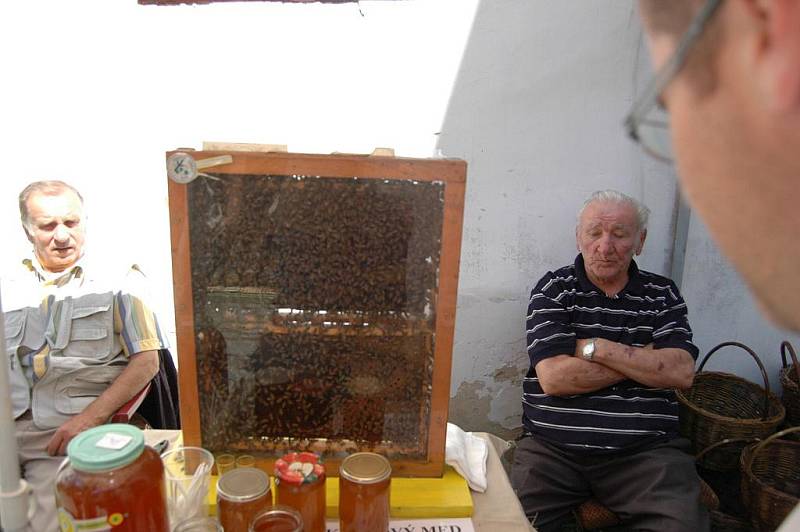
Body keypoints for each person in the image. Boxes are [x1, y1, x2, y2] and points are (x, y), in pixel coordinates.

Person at [511, 190, 708, 531]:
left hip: (645, 454)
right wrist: (643, 358)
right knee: (511, 523)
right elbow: (556, 379)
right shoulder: (554, 290)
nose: (605, 247)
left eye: (619, 234)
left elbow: (680, 371)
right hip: (552, 450)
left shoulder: (663, 295)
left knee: (682, 524)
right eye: (594, 233)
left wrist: (596, 347)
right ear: (579, 237)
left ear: (640, 241)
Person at [2, 180, 166, 531]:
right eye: (48, 226)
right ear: (27, 230)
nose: (62, 235)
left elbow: (147, 361)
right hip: (5, 428)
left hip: (64, 434)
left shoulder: (122, 278)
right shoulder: (8, 283)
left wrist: (90, 419)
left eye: (71, 223)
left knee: (50, 523)